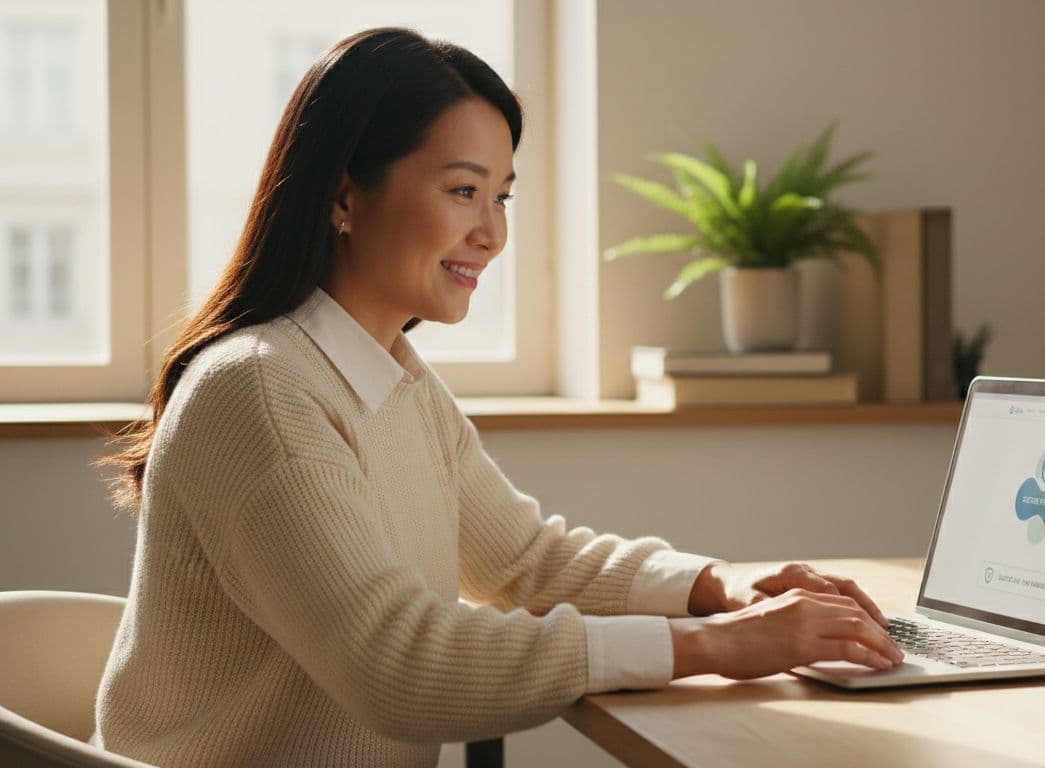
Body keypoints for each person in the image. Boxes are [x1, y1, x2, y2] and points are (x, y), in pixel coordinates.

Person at [91, 28, 902, 768]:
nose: (493, 233)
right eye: (462, 190)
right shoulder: (261, 390)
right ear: (343, 196)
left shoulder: (394, 379)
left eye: (502, 196)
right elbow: (396, 665)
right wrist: (715, 647)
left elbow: (523, 560)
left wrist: (715, 587)